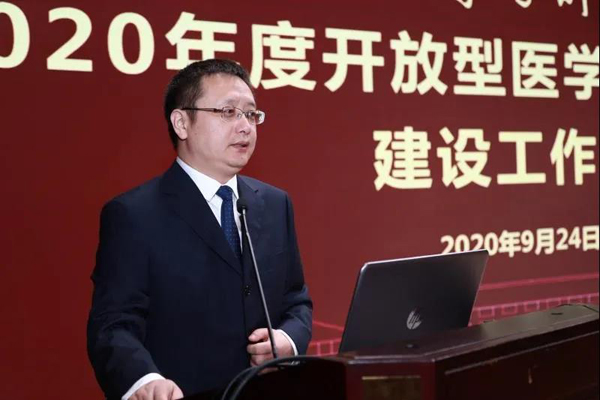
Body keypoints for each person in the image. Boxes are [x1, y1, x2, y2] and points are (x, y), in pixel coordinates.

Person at [87, 59, 313, 400]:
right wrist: (144, 380)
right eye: (228, 112)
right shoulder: (134, 215)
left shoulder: (274, 203)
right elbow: (113, 325)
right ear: (182, 123)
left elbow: (296, 301)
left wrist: (289, 340)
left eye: (251, 114)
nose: (245, 127)